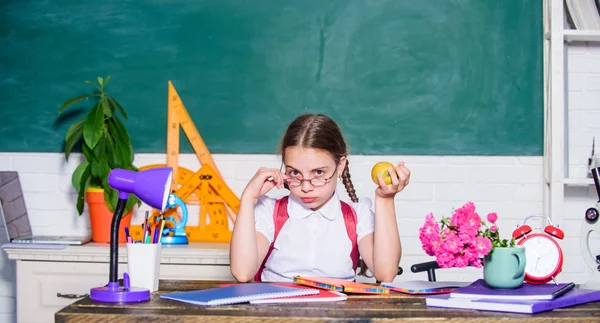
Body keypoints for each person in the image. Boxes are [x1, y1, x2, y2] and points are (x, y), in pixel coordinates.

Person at [229, 113, 410, 283]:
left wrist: (385, 199)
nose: (306, 187)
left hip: (338, 315)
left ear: (340, 166)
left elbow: (385, 273)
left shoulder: (357, 215)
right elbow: (243, 273)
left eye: (318, 172)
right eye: (294, 172)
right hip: (277, 314)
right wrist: (248, 197)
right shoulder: (270, 212)